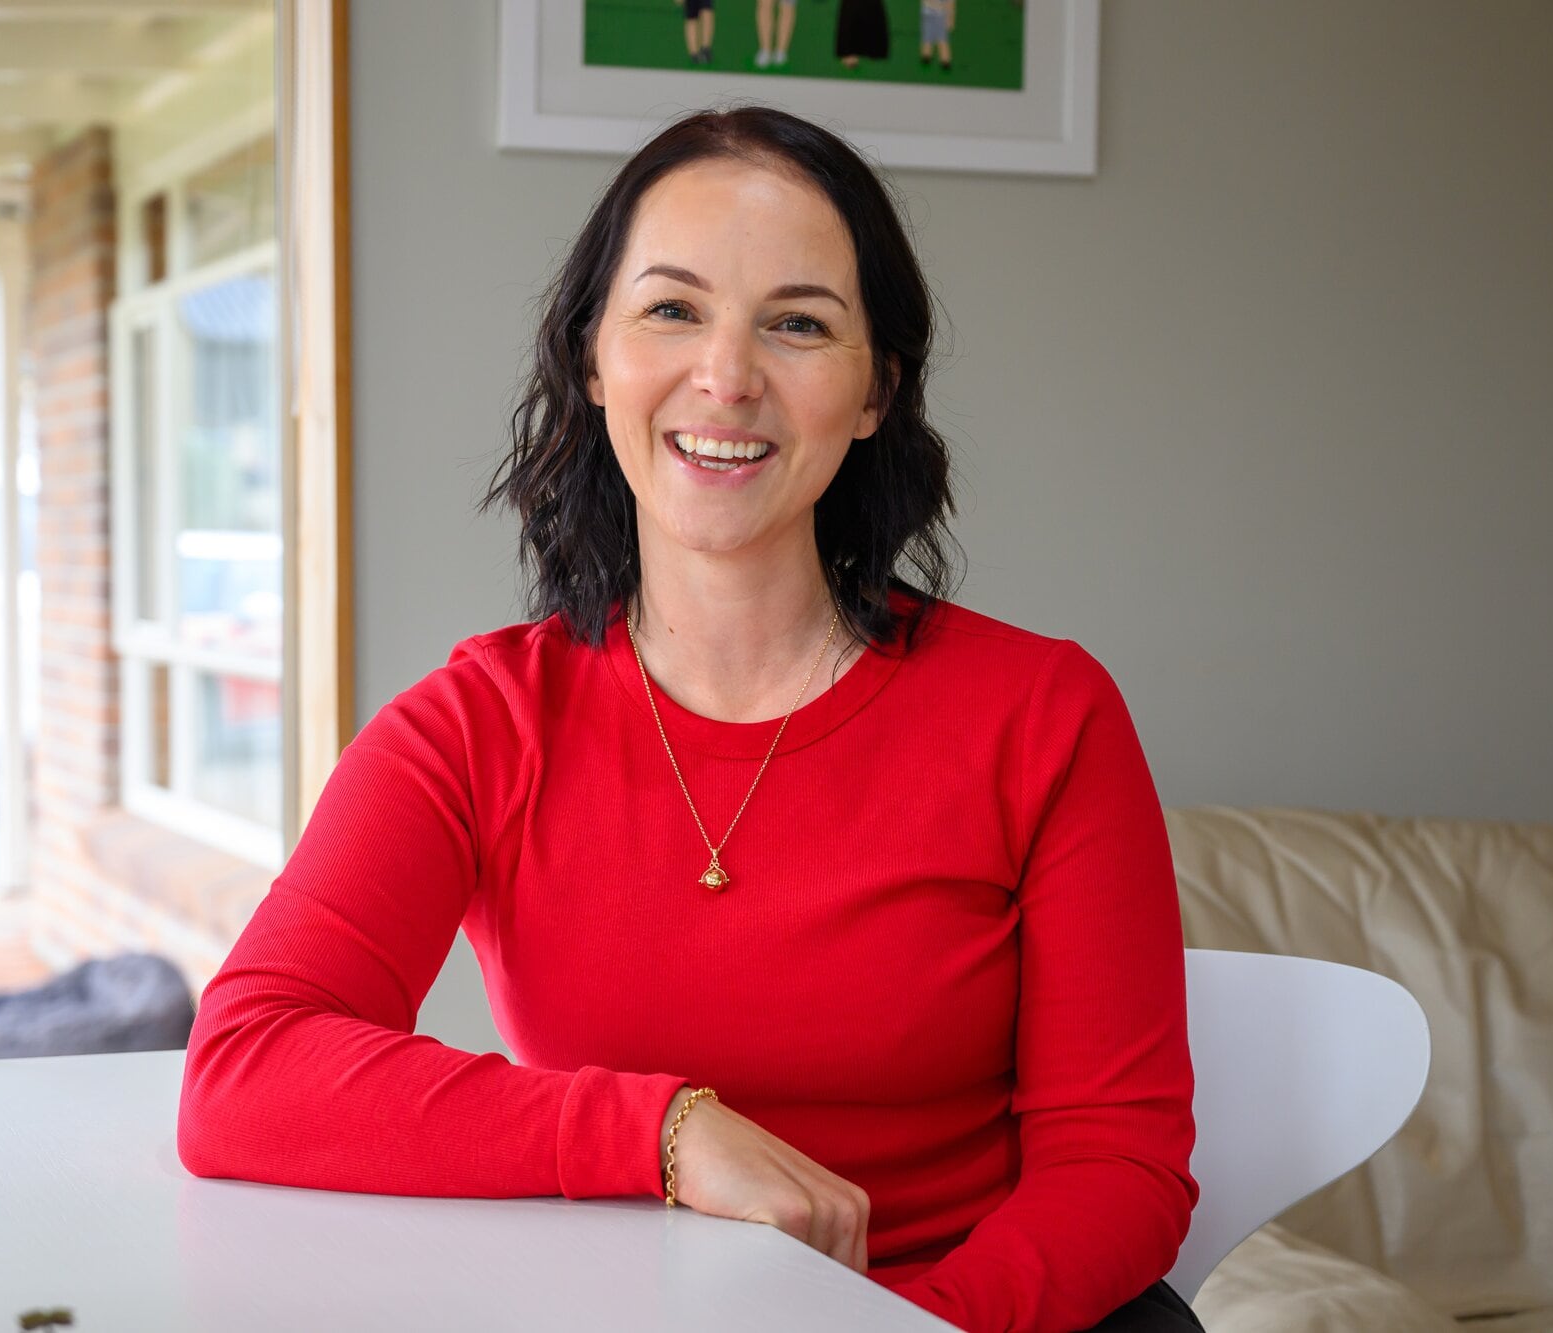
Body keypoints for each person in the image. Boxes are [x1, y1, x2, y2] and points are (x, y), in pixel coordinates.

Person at [178, 105, 1205, 1333]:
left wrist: (903, 1329)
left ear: (874, 388)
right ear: (593, 357)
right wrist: (662, 1129)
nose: (726, 376)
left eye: (797, 322)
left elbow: (1119, 1167)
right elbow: (243, 1070)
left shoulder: (1044, 713)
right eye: (671, 309)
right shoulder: (474, 725)